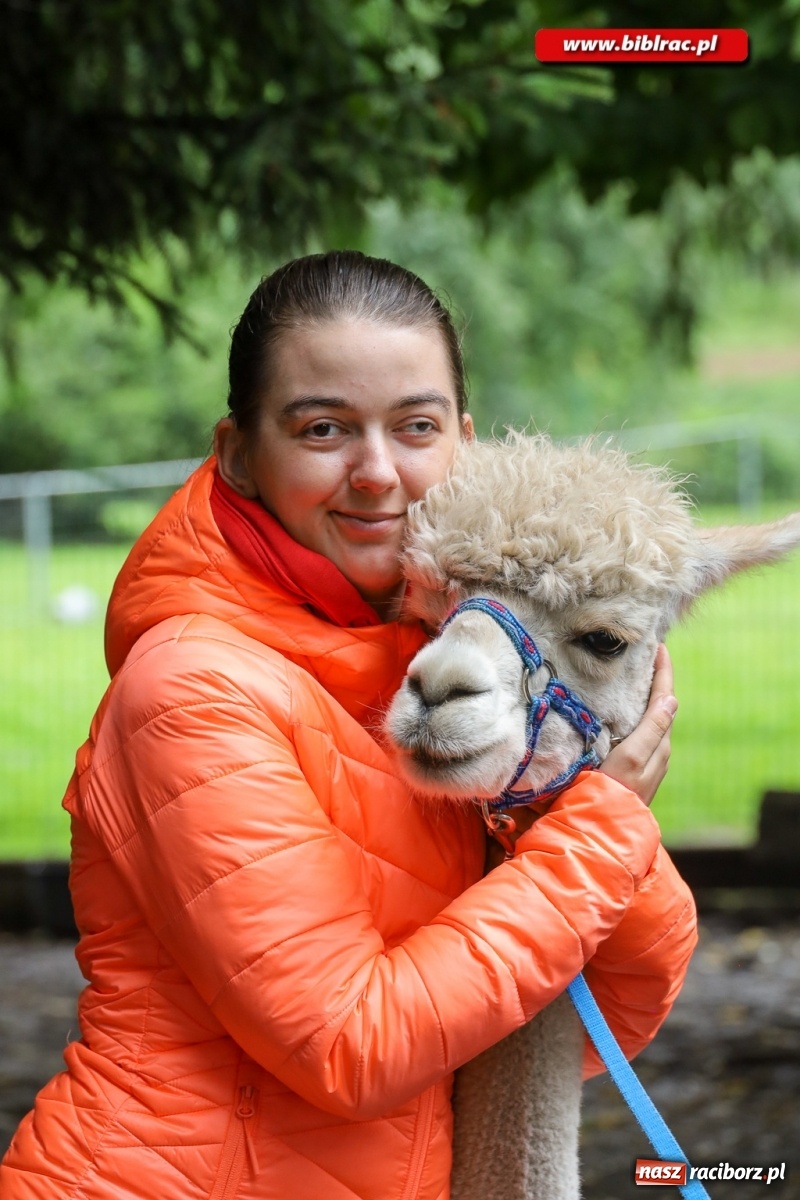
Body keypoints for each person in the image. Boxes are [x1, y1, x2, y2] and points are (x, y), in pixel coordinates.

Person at [1, 251, 696, 1200]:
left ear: (465, 437)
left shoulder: (449, 655)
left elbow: (599, 1007)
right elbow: (349, 1046)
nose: (377, 474)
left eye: (416, 426)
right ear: (240, 451)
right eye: (323, 428)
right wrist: (600, 830)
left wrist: (571, 800)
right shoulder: (193, 690)